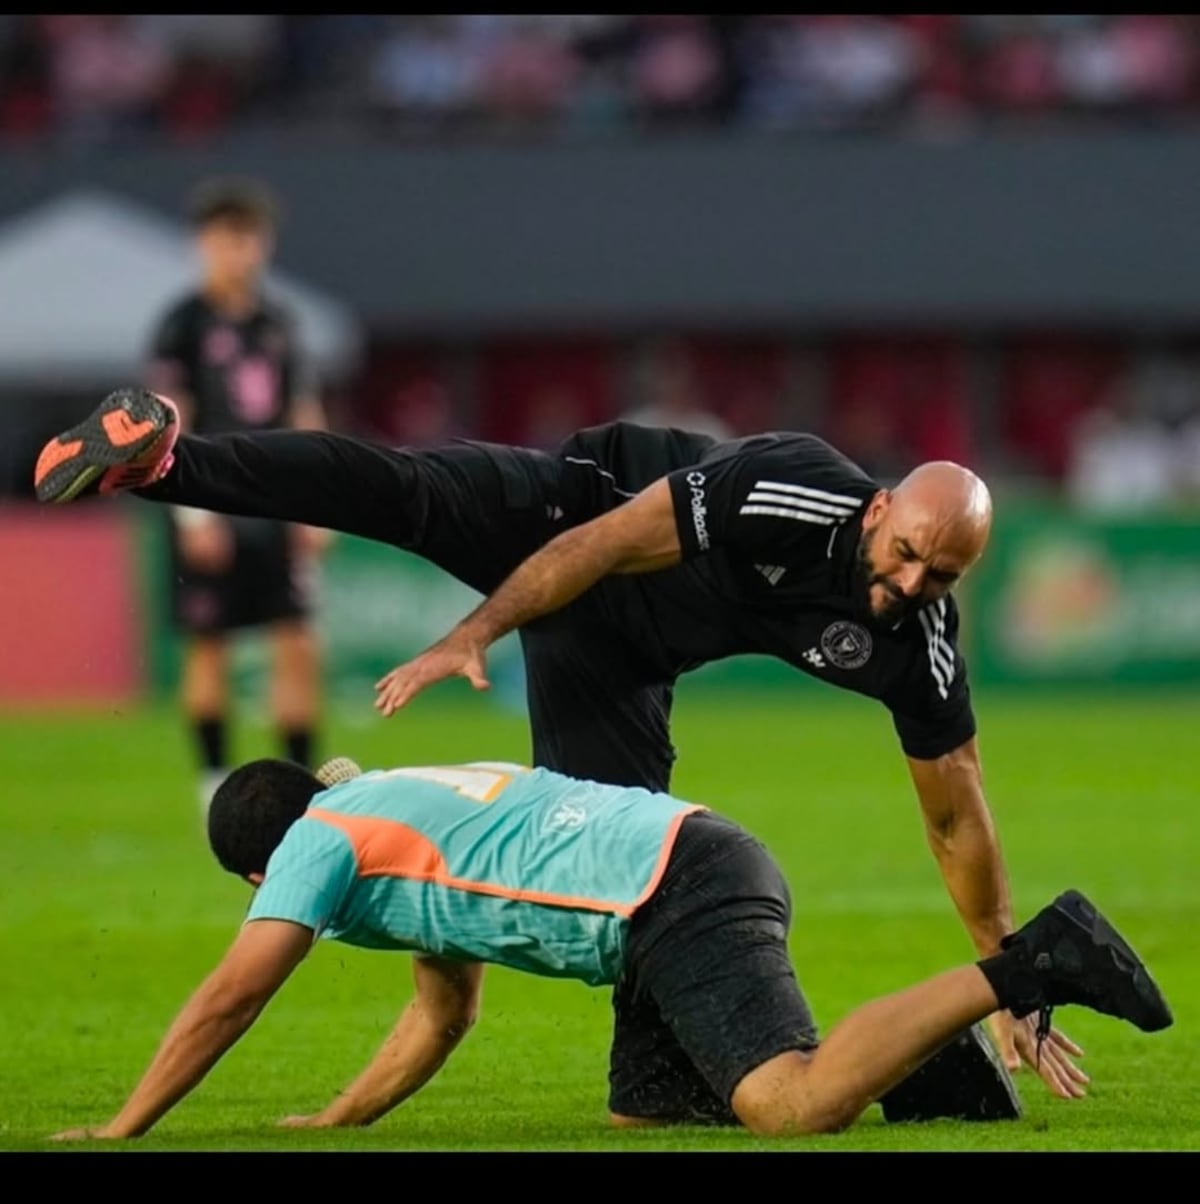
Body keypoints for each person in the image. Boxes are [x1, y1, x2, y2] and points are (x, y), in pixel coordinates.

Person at [34, 387, 1056, 1098]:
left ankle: (661, 1093)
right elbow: (602, 548)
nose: (914, 583)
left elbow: (955, 811)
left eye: (943, 576)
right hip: (572, 512)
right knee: (403, 494)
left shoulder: (915, 640)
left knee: (623, 870)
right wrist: (479, 630)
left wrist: (1009, 972)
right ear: (880, 509)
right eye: (908, 552)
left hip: (617, 657)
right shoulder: (789, 488)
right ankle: (167, 459)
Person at [50, 754, 1171, 1143]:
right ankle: (933, 1068)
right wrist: (341, 1119)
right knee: (651, 1114)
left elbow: (229, 997)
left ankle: (1032, 959)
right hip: (676, 867)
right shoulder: (380, 809)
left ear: (257, 871)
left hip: (667, 890)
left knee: (786, 1107)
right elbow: (443, 1008)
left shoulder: (310, 843)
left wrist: (123, 1125)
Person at [146, 178, 331, 810]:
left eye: (250, 237)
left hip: (277, 505)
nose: (239, 250)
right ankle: (212, 782)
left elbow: (305, 411)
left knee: (298, 642)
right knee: (208, 645)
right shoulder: (181, 325)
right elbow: (173, 417)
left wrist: (324, 503)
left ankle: (301, 788)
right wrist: (192, 515)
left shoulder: (280, 323)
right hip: (212, 501)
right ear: (202, 243)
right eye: (226, 237)